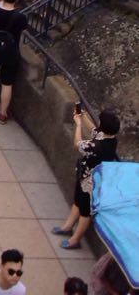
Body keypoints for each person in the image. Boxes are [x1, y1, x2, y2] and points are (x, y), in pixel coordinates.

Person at [53, 107, 120, 251]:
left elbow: (78, 143)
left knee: (85, 210)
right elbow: (94, 130)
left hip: (90, 182)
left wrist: (78, 124)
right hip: (85, 176)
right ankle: (68, 226)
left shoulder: (96, 146)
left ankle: (75, 240)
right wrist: (83, 118)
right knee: (77, 200)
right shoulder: (110, 139)